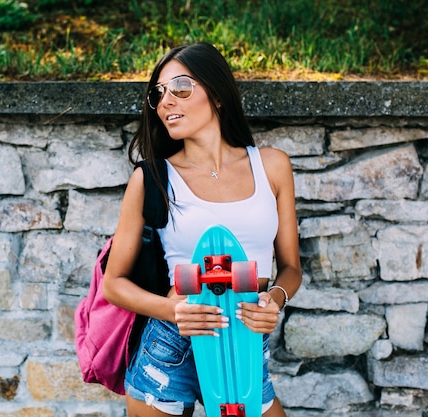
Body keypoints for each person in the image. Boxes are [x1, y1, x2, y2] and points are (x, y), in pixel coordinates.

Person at [102, 42, 301, 417]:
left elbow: (291, 268)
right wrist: (171, 310)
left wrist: (274, 299)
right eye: (158, 94)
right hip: (169, 349)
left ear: (218, 94)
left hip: (243, 343)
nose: (165, 102)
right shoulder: (152, 178)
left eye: (180, 87)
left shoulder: (272, 167)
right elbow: (113, 283)